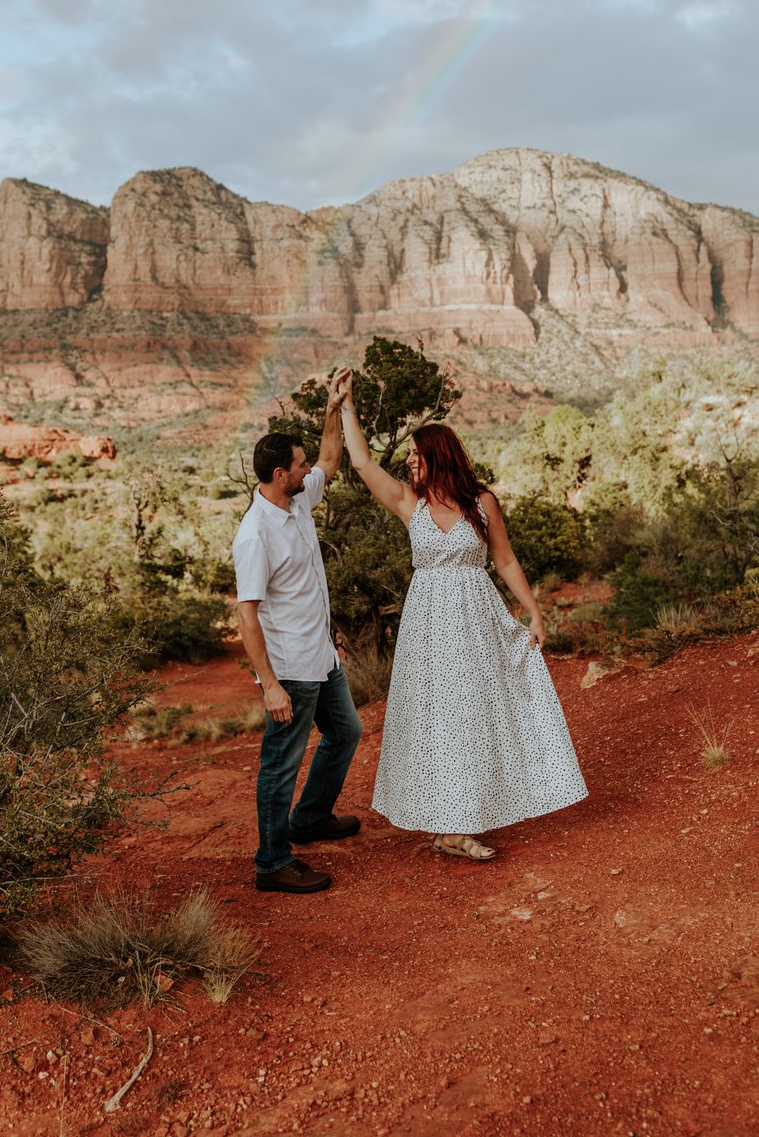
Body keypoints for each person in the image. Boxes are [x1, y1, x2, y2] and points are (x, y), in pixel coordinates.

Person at [337, 373, 587, 861]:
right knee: (438, 717)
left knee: (472, 714)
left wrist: (534, 612)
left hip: (476, 620)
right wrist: (347, 405)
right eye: (409, 456)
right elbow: (362, 462)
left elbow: (505, 560)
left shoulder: (481, 502)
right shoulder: (410, 503)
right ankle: (451, 824)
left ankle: (462, 820)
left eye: (416, 454)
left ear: (439, 455)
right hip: (428, 626)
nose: (409, 461)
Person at [233, 373, 363, 894]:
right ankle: (272, 863)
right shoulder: (255, 534)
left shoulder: (299, 498)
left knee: (346, 732)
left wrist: (333, 408)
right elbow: (247, 615)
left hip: (322, 658)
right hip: (290, 669)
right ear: (279, 473)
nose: (311, 470)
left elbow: (330, 459)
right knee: (280, 766)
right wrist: (269, 685)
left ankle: (309, 819)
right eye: (300, 465)